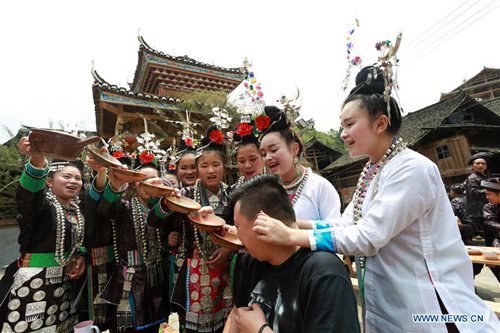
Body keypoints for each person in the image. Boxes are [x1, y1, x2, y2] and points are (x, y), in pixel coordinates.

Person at [251, 66, 500, 332]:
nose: (342, 134)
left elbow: (368, 237)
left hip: (429, 304)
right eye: (342, 125)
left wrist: (290, 236)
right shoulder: (373, 169)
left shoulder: (411, 168)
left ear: (380, 123)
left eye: (349, 125)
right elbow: (346, 225)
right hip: (391, 301)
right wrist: (292, 224)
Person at [223, 174, 360, 333]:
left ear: (262, 223)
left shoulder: (323, 274)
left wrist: (260, 330)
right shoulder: (250, 261)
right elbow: (236, 316)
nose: (237, 235)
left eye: (238, 226)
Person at [149, 125, 233, 333]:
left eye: (216, 164)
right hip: (194, 267)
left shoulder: (233, 194)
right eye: (204, 165)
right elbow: (154, 221)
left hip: (228, 269)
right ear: (197, 168)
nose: (211, 170)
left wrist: (229, 248)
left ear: (225, 166)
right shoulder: (184, 194)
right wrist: (167, 201)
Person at [0, 137, 87, 333]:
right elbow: (29, 194)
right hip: (34, 282)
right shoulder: (40, 207)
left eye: (78, 178)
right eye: (66, 176)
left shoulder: (76, 212)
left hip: (64, 285)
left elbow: (78, 242)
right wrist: (37, 160)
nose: (73, 181)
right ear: (49, 181)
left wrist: (80, 255)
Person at [97, 161, 171, 333]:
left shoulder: (163, 209)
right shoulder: (124, 207)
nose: (147, 184)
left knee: (160, 324)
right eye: (141, 180)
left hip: (158, 276)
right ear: (134, 184)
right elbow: (105, 209)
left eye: (153, 179)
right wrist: (115, 184)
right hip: (132, 278)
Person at [258, 105, 341, 221]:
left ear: (294, 149)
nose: (268, 158)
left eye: (274, 150)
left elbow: (335, 231)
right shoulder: (267, 191)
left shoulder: (320, 187)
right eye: (263, 154)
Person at [221, 119, 265, 224]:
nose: (247, 165)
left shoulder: (278, 186)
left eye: (253, 159)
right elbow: (221, 219)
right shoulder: (230, 192)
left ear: (263, 157)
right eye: (241, 161)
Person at [465, 152, 492, 245]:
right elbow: (474, 193)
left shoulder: (484, 177)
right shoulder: (472, 178)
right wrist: (490, 190)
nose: (480, 165)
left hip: (485, 209)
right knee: (488, 234)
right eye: (478, 163)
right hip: (479, 211)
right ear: (473, 166)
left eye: (483, 163)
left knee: (490, 234)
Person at [482, 178, 500, 282]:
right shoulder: (489, 207)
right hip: (498, 241)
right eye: (486, 194)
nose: (487, 197)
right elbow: (490, 222)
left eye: (489, 194)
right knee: (494, 265)